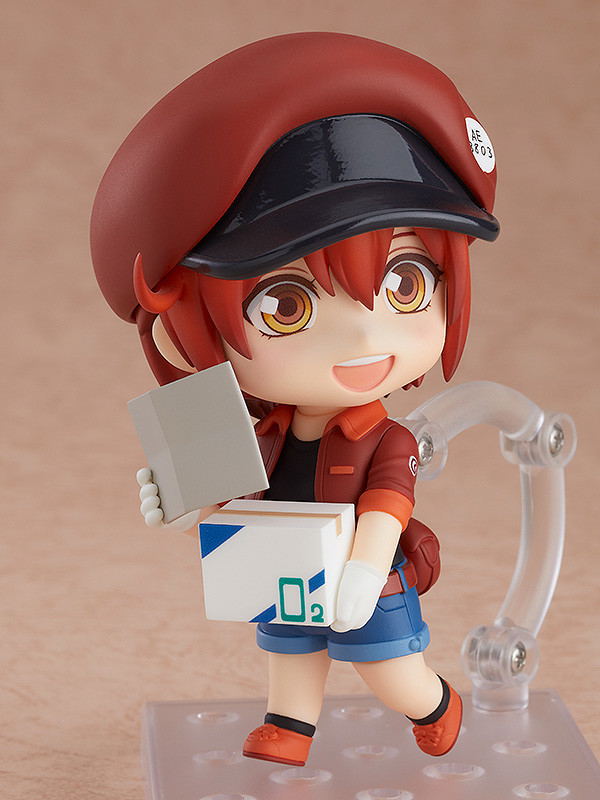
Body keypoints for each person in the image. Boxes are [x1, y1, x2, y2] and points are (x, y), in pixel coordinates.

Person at [91, 32, 499, 767]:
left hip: (367, 575)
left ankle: (436, 704)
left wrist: (365, 571)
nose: (366, 334)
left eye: (406, 284)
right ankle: (290, 724)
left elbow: (387, 505)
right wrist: (184, 503)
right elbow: (234, 500)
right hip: (285, 566)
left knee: (388, 668)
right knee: (291, 649)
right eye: (287, 305)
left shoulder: (389, 439)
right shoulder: (264, 433)